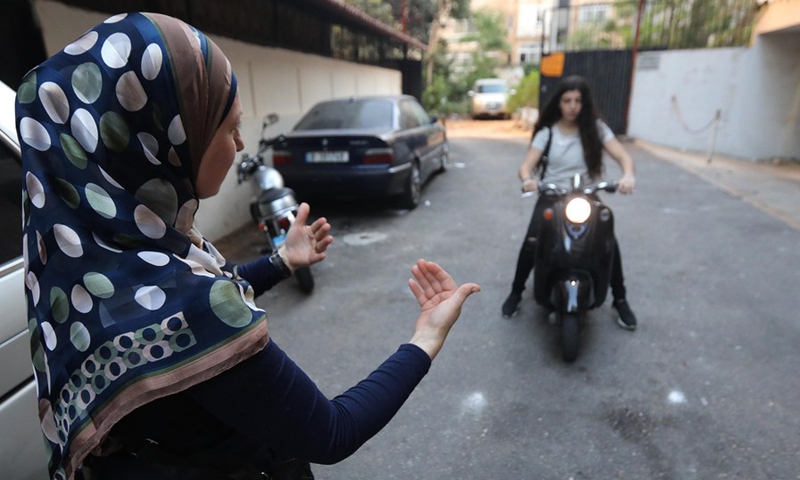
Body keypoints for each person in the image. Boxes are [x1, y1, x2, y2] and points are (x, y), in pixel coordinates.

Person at [17, 13, 481, 480]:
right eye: (227, 127)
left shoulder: (77, 263)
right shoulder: (189, 301)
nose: (240, 143)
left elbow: (169, 297)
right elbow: (332, 432)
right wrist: (427, 335)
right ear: (163, 136)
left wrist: (281, 261)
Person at [501, 75, 638, 330]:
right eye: (567, 100)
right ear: (559, 103)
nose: (573, 105)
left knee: (608, 239)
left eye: (578, 100)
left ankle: (620, 300)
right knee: (533, 239)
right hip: (553, 194)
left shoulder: (596, 129)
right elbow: (526, 166)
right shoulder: (547, 133)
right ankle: (516, 292)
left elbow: (623, 156)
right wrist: (528, 179)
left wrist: (627, 175)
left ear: (584, 103)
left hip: (586, 194)